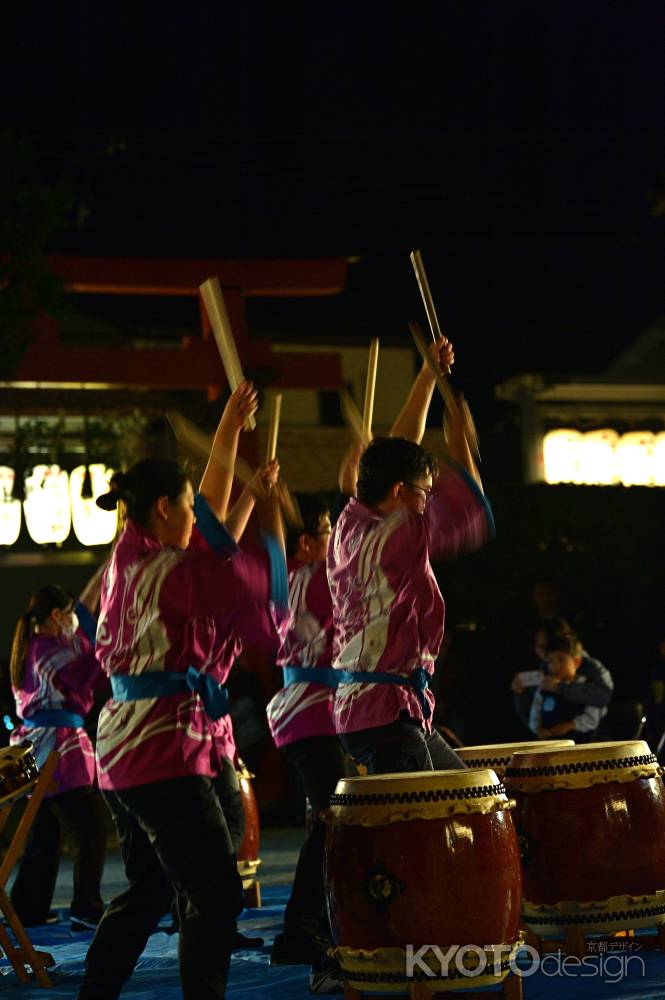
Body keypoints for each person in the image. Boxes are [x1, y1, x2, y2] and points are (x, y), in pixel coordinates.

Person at [77, 382, 286, 1000]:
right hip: (159, 748)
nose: (197, 518)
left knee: (151, 888)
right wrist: (268, 516)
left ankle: (97, 994)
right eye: (188, 508)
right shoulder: (169, 570)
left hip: (129, 742)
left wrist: (230, 432)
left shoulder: (131, 554)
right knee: (215, 890)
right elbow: (251, 580)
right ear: (165, 507)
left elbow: (214, 531)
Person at [327, 337, 495, 774]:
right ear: (401, 492)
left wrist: (426, 374)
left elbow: (397, 450)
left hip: (367, 707)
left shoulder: (351, 522)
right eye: (424, 491)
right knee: (423, 828)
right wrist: (463, 446)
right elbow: (470, 505)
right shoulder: (399, 536)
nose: (427, 500)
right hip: (385, 711)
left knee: (464, 794)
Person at [267, 492, 347, 990]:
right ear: (307, 542)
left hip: (301, 713)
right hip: (315, 712)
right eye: (327, 533)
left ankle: (305, 928)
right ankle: (301, 931)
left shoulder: (288, 581)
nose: (335, 541)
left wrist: (272, 498)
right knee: (330, 826)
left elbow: (275, 545)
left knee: (327, 824)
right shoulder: (319, 579)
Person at [8, 569, 107, 930]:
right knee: (90, 827)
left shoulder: (31, 646)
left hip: (40, 746)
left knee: (45, 831)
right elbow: (89, 665)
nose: (72, 623)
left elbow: (83, 605)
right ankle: (86, 905)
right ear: (55, 616)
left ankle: (27, 908)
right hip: (57, 749)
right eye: (68, 616)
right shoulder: (48, 650)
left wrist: (103, 574)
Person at [529, 632, 613, 742]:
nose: (555, 666)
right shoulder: (544, 687)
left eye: (561, 660)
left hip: (582, 744)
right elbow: (535, 713)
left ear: (577, 662)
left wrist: (571, 725)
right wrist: (538, 729)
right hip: (550, 744)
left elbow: (592, 718)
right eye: (550, 661)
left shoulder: (586, 686)